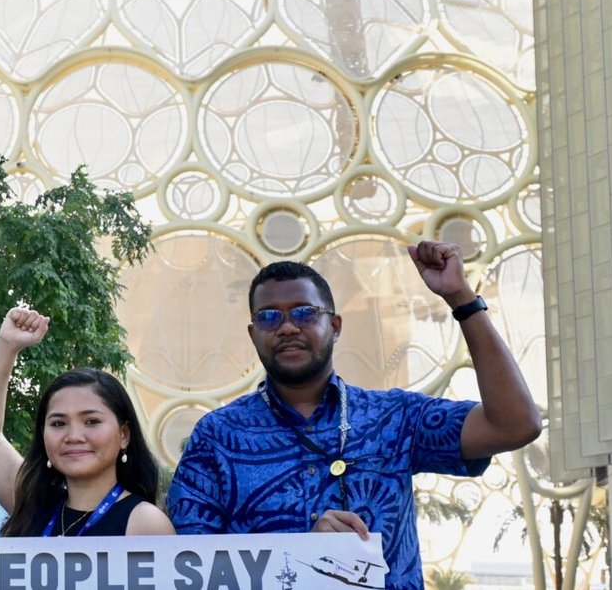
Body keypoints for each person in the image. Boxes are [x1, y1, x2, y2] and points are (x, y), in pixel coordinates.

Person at [166, 243, 543, 590]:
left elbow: (515, 424)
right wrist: (301, 558)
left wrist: (462, 299)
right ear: (253, 334)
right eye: (268, 317)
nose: (287, 327)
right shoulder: (216, 436)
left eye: (304, 312)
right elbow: (192, 569)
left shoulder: (395, 418)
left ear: (334, 326)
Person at [0, 307, 176, 537]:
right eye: (58, 423)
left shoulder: (145, 523)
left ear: (124, 435)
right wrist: (6, 344)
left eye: (92, 421)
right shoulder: (33, 505)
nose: (73, 436)